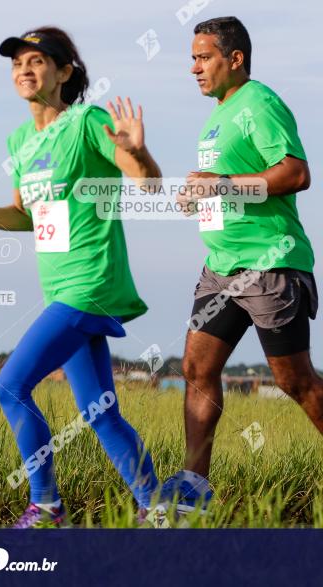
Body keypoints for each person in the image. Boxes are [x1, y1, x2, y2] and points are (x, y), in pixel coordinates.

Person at [0, 27, 163, 527]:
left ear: (64, 73)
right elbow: (25, 215)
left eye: (37, 61)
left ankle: (45, 506)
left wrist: (139, 152)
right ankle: (158, 507)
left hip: (92, 282)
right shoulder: (21, 141)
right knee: (100, 411)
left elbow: (146, 184)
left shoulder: (87, 122)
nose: (24, 69)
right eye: (17, 62)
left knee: (11, 387)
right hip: (62, 287)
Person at [166, 16, 320, 515]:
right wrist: (201, 195)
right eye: (192, 57)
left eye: (204, 56)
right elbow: (226, 182)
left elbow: (296, 173)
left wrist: (222, 184)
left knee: (294, 382)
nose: (194, 67)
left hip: (270, 266)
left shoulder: (261, 102)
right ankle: (194, 489)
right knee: (196, 368)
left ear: (235, 59)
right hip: (220, 269)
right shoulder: (219, 112)